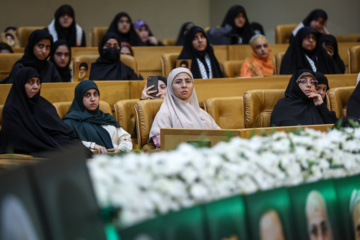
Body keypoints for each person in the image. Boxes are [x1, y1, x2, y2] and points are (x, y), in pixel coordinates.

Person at [0, 67, 87, 156]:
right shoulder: (11, 109)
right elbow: (19, 139)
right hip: (36, 146)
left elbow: (61, 128)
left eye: (38, 82)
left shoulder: (43, 103)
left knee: (78, 148)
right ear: (21, 84)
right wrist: (52, 144)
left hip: (52, 141)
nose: (36, 86)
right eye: (30, 82)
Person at [149, 68, 220, 148]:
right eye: (178, 82)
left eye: (188, 81)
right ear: (170, 87)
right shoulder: (165, 113)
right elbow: (161, 142)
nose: (184, 85)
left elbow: (221, 137)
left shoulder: (201, 113)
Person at [63, 80, 133, 153]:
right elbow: (67, 143)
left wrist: (120, 150)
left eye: (95, 94)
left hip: (115, 159)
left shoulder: (106, 118)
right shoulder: (70, 122)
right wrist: (93, 145)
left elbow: (125, 137)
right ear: (79, 98)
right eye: (87, 95)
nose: (93, 99)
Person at [270, 69, 337, 127]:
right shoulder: (283, 105)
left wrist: (321, 106)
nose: (309, 85)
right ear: (295, 85)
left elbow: (335, 127)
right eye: (303, 81)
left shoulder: (316, 104)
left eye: (312, 82)